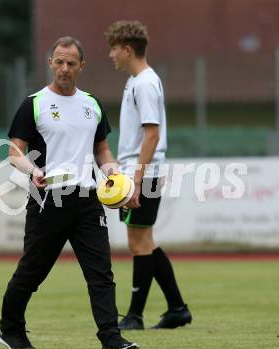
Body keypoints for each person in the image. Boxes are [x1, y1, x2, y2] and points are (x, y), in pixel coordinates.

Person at [0, 36, 139, 349]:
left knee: (101, 272)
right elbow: (13, 151)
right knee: (33, 270)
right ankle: (10, 329)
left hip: (88, 199)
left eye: (70, 63)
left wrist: (114, 174)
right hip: (49, 199)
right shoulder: (34, 103)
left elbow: (102, 150)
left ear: (81, 66)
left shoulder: (92, 104)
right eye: (58, 62)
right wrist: (33, 171)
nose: (64, 68)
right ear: (50, 63)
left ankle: (111, 337)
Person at [105, 21, 192, 330]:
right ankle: (177, 309)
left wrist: (137, 180)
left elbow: (151, 136)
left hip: (142, 172)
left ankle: (135, 316)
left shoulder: (143, 83)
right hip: (139, 171)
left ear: (127, 49)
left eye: (114, 48)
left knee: (139, 242)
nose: (111, 54)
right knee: (145, 241)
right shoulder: (138, 80)